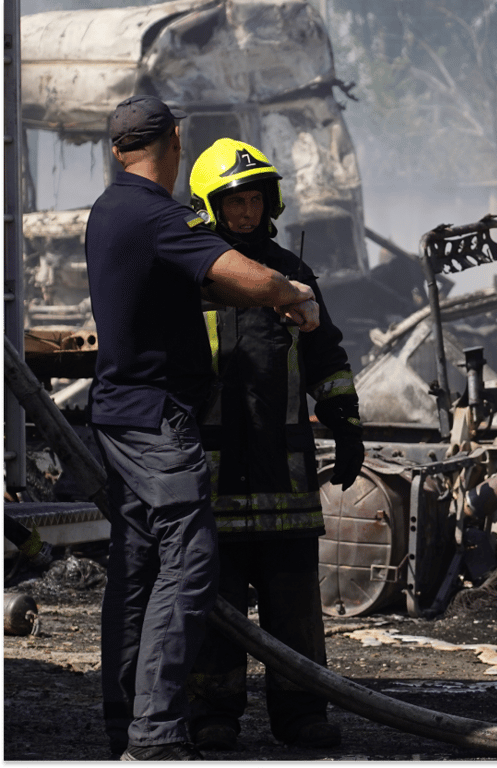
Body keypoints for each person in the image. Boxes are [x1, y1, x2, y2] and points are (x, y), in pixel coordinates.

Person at [86, 95, 321, 762]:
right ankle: (157, 732)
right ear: (176, 142)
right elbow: (229, 270)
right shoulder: (158, 215)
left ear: (116, 148)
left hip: (120, 413)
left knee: (136, 570)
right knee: (189, 564)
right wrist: (290, 293)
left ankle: (123, 722)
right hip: (158, 421)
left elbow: (194, 287)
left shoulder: (110, 212)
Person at [184, 138, 364, 751]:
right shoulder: (194, 279)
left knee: (294, 607)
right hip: (211, 476)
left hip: (285, 475)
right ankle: (212, 713)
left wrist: (344, 421)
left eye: (255, 199)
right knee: (215, 605)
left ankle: (300, 712)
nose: (246, 212)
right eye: (234, 201)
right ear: (211, 206)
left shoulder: (293, 276)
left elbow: (326, 355)